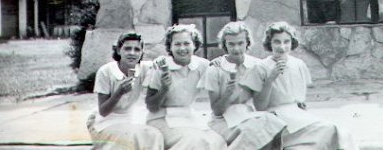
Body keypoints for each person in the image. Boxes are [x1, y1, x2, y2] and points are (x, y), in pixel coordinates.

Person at [241, 21, 357, 150]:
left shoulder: (298, 64)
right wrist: (270, 79)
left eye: (286, 42)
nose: (282, 47)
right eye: (277, 42)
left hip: (296, 116)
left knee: (336, 131)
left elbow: (299, 98)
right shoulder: (260, 67)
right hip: (275, 119)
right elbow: (260, 107)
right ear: (270, 43)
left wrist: (300, 104)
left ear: (292, 43)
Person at [202, 21, 286, 149]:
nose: (236, 49)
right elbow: (217, 111)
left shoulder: (257, 65)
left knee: (274, 124)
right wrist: (228, 94)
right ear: (224, 44)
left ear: (247, 42)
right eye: (231, 44)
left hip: (248, 115)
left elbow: (261, 106)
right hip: (223, 121)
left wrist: (269, 80)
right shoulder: (215, 69)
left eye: (240, 43)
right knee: (251, 131)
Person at [145, 24, 227, 150]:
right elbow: (151, 106)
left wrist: (221, 64)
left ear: (194, 45)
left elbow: (223, 77)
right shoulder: (161, 67)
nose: (182, 48)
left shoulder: (202, 65)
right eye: (177, 44)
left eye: (186, 43)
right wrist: (164, 89)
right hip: (161, 118)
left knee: (217, 140)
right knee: (193, 141)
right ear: (170, 47)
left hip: (188, 116)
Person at [87, 32, 164, 150]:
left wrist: (162, 63)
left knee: (154, 135)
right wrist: (119, 93)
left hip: (129, 119)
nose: (132, 53)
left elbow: (162, 64)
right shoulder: (106, 71)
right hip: (105, 121)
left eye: (137, 49)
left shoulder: (144, 68)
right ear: (118, 51)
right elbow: (103, 111)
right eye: (127, 48)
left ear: (141, 53)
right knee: (129, 138)